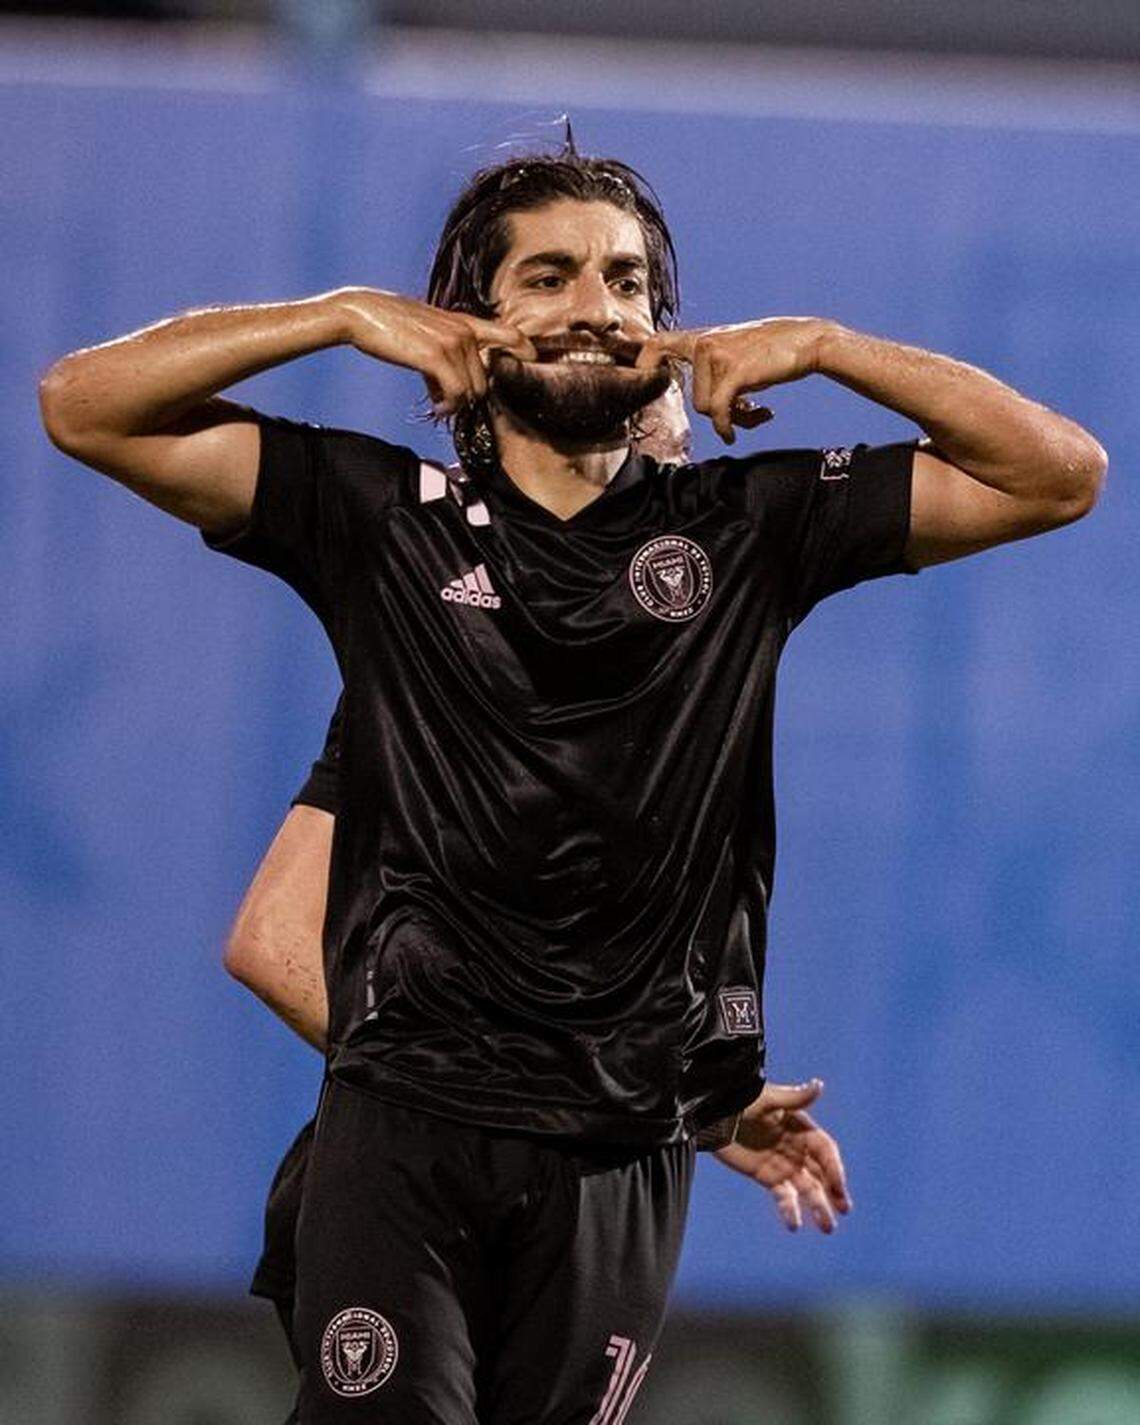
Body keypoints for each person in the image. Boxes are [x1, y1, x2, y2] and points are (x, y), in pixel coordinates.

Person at [40, 143, 1105, 1424]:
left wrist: (825, 343)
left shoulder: (748, 528)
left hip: (623, 1150)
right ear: (469, 324)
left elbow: (1058, 472)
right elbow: (83, 404)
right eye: (547, 278)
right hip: (407, 1126)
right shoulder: (383, 519)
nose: (596, 306)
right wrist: (333, 315)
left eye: (627, 281)